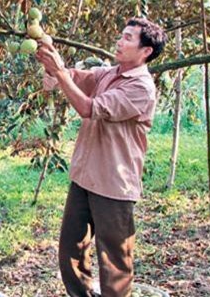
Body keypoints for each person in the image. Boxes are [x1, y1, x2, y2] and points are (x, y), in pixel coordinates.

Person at [35, 17, 167, 297]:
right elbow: (75, 78)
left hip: (113, 184)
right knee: (71, 251)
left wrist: (59, 71)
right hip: (84, 177)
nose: (120, 41)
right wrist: (51, 61)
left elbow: (88, 108)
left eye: (128, 38)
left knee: (114, 262)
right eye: (122, 35)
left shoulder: (140, 87)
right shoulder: (108, 73)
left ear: (146, 51)